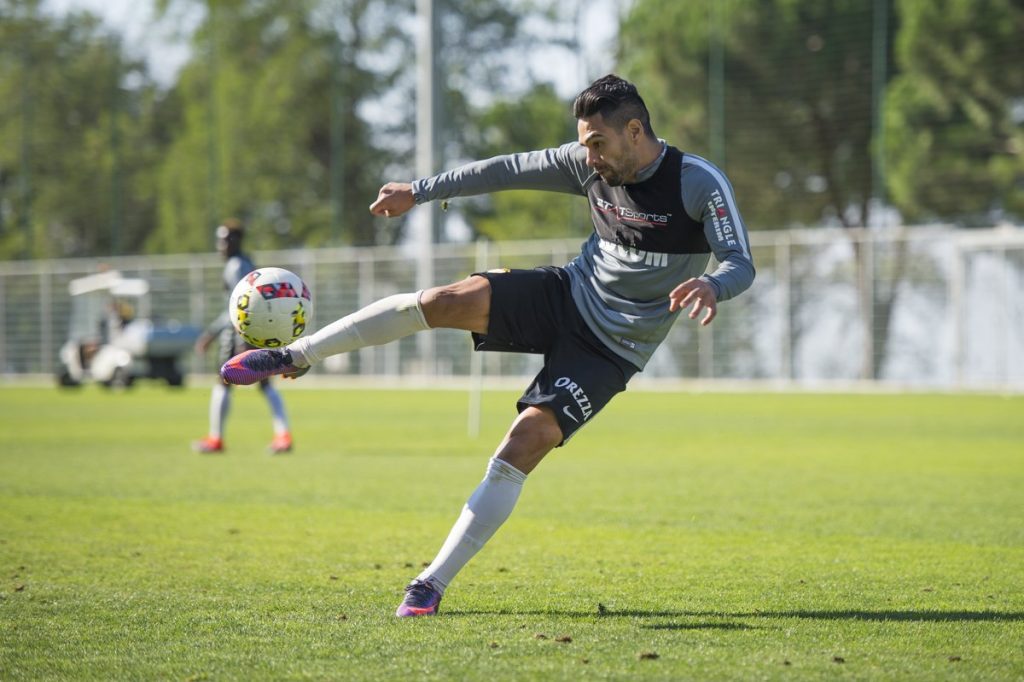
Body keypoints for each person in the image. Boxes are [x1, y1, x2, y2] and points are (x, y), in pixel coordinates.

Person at [220, 75, 755, 615]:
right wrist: (421, 190)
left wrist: (712, 283)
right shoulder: (584, 162)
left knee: (523, 442)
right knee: (445, 299)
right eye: (584, 142)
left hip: (612, 349)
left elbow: (741, 263)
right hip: (567, 293)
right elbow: (506, 169)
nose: (588, 155)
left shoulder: (697, 183)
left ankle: (429, 584)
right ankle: (295, 355)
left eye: (598, 143)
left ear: (634, 131)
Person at [192, 219, 294, 455]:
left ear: (236, 241)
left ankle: (216, 438)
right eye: (220, 240)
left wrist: (211, 334)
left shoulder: (236, 266)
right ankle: (283, 435)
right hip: (250, 331)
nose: (221, 245)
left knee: (224, 380)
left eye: (226, 240)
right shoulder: (245, 263)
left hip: (239, 332)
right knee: (265, 383)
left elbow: (237, 308)